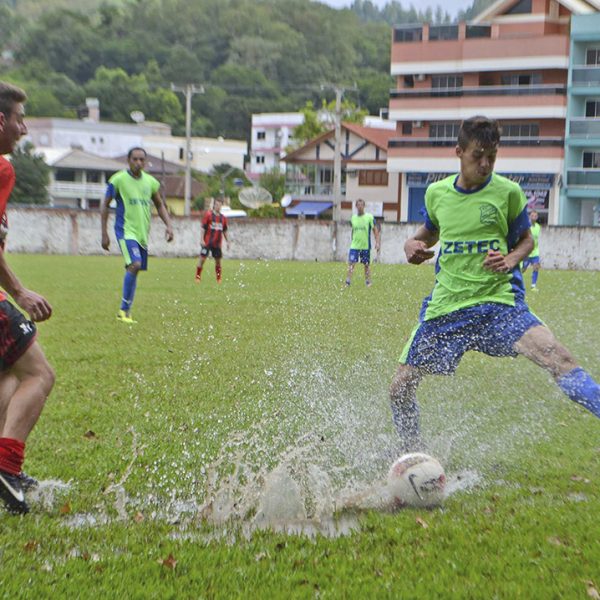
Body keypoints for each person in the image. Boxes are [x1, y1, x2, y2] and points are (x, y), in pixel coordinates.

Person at [389, 116, 600, 453]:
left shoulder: (508, 193)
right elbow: (427, 232)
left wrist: (511, 260)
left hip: (498, 304)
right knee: (399, 387)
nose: (485, 164)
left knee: (559, 358)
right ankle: (413, 455)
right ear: (459, 152)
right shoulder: (437, 194)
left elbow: (526, 241)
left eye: (492, 156)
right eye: (477, 155)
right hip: (447, 308)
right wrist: (410, 245)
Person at [0, 82, 55, 514]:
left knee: (8, 380)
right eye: (20, 118)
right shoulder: (1, 169)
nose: (24, 127)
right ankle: (6, 468)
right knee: (39, 374)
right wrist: (18, 291)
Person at [101, 147, 174, 323]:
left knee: (134, 269)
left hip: (142, 234)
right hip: (125, 231)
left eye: (142, 160)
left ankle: (126, 311)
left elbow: (160, 204)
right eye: (135, 159)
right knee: (135, 264)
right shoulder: (118, 180)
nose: (138, 163)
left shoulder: (150, 182)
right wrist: (104, 233)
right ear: (128, 160)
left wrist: (169, 225)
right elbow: (105, 205)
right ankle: (123, 311)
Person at [345, 198, 381, 287]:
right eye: (358, 205)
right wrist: (352, 240)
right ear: (356, 206)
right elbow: (353, 231)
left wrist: (377, 242)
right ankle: (347, 282)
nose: (360, 207)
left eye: (361, 205)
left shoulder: (369, 217)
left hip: (365, 246)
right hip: (354, 245)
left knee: (366, 265)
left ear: (364, 206)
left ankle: (368, 282)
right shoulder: (353, 218)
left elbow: (375, 230)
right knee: (351, 263)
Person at [195, 197, 229, 284]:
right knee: (202, 259)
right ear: (214, 205)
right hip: (207, 242)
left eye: (220, 205)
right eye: (216, 204)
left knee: (218, 262)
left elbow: (225, 230)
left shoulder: (223, 218)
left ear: (221, 206)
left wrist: (228, 241)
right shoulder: (209, 215)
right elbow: (203, 228)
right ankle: (197, 277)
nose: (218, 206)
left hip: (217, 244)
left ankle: (218, 279)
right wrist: (201, 239)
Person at [521, 209, 541, 291]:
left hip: (535, 251)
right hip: (527, 252)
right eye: (532, 216)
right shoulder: (526, 226)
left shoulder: (538, 227)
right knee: (523, 269)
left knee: (536, 267)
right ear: (529, 216)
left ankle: (533, 286)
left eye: (535, 216)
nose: (534, 217)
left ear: (537, 217)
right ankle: (515, 282)